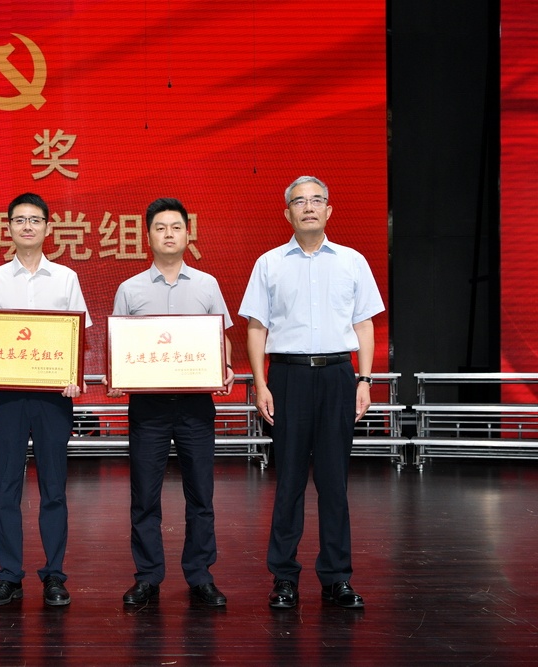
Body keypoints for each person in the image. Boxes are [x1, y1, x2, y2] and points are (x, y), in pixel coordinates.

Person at [238, 176, 384, 610]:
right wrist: (261, 384)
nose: (308, 207)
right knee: (288, 483)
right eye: (299, 201)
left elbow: (364, 325)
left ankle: (337, 578)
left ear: (328, 210)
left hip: (339, 375)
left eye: (316, 200)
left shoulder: (353, 261)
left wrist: (364, 380)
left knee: (334, 482)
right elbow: (256, 328)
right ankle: (284, 577)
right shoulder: (269, 263)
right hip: (288, 378)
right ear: (287, 213)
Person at [106, 197, 236, 607]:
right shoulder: (130, 289)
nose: (168, 234)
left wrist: (225, 366)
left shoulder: (207, 285)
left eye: (176, 227)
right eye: (160, 228)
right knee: (145, 496)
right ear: (148, 236)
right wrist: (116, 376)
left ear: (187, 234)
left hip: (196, 405)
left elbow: (222, 337)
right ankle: (148, 576)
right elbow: (119, 344)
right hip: (149, 407)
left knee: (201, 494)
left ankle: (200, 575)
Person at [0, 192, 92, 607]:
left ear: (47, 227)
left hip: (54, 398)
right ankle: (9, 576)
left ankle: (54, 575)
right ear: (8, 228)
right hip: (6, 399)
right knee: (7, 488)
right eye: (19, 220)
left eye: (34, 220)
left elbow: (78, 335)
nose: (27, 226)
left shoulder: (66, 278)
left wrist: (74, 378)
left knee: (54, 488)